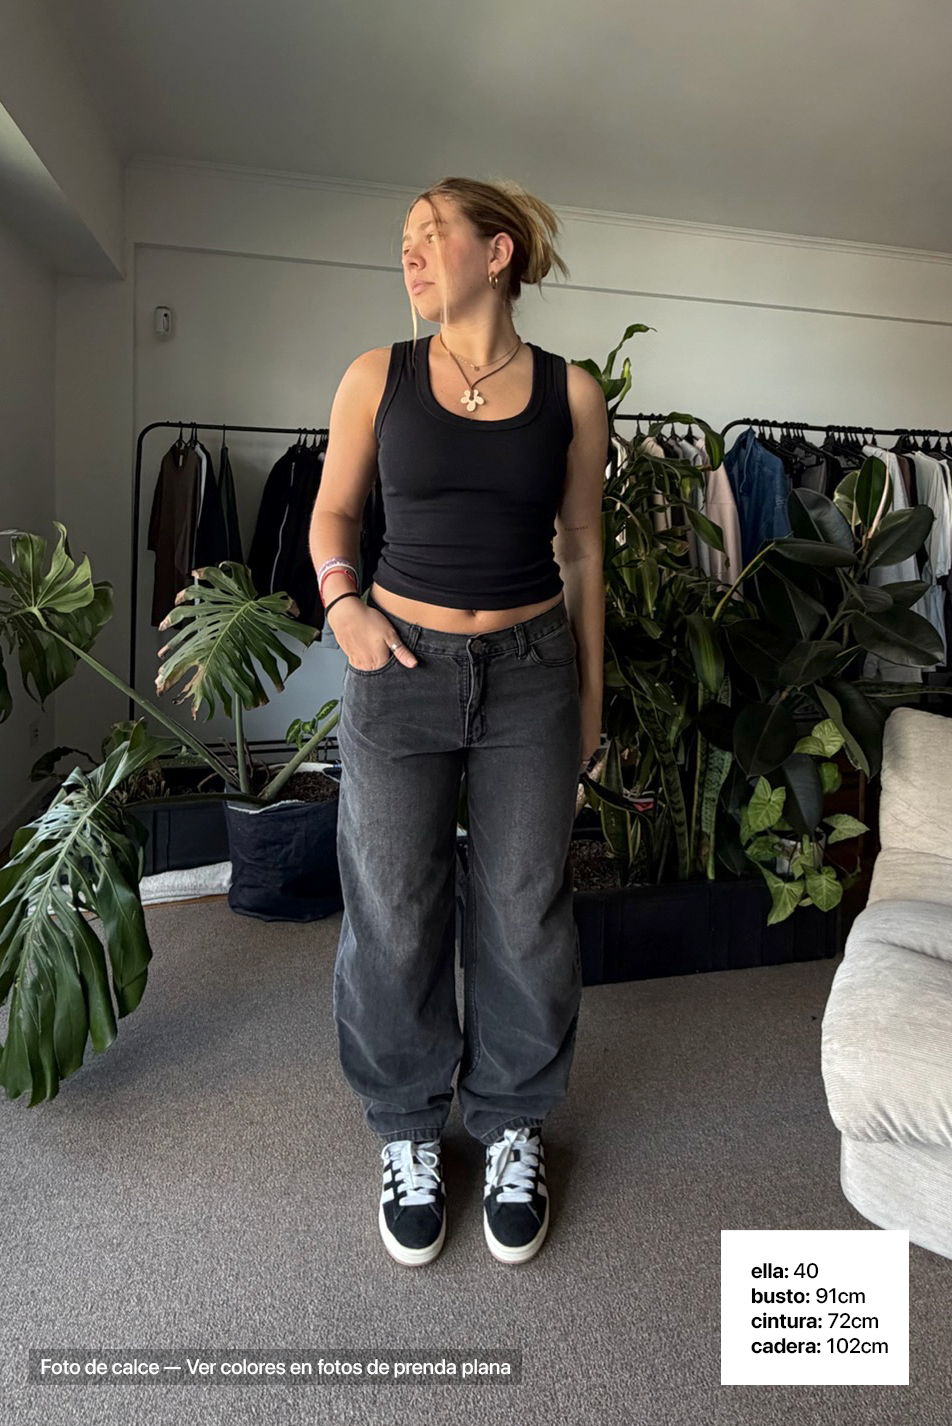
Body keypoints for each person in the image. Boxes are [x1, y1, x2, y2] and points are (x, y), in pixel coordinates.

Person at [309, 175, 608, 1268]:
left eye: (431, 233)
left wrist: (590, 696)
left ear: (497, 251)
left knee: (526, 906)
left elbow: (583, 550)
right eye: (404, 238)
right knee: (393, 902)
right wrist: (343, 605)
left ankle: (513, 1120)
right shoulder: (375, 377)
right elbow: (333, 513)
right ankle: (407, 1128)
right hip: (398, 667)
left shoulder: (572, 393)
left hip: (531, 674)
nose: (411, 252)